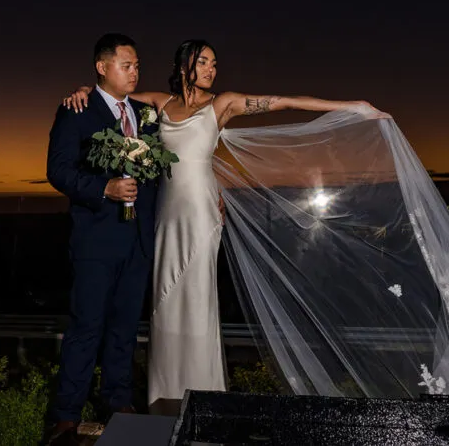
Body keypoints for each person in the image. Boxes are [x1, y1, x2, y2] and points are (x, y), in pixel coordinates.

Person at [63, 39, 384, 410]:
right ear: (185, 65)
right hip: (165, 214)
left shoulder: (223, 102)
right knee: (164, 300)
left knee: (197, 297)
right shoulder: (160, 103)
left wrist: (353, 107)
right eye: (204, 62)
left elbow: (283, 101)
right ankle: (163, 397)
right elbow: (111, 99)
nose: (211, 70)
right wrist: (85, 89)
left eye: (214, 64)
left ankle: (203, 396)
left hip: (201, 211)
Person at [43, 33, 160, 445]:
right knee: (86, 326)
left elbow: (161, 173)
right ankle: (66, 415)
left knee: (125, 328)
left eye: (137, 66)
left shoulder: (147, 114)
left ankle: (117, 400)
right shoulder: (77, 109)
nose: (134, 72)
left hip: (138, 241)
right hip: (95, 239)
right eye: (126, 65)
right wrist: (102, 189)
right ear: (102, 67)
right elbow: (57, 170)